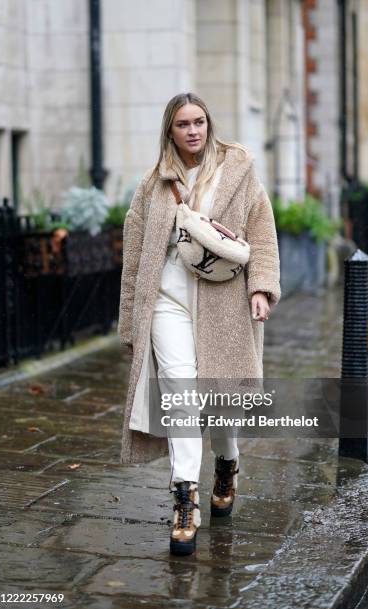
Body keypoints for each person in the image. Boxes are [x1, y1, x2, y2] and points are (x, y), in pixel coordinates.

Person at [118, 92, 281, 556]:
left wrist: (261, 288)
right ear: (169, 131)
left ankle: (227, 462)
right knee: (181, 393)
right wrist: (131, 322)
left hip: (222, 300)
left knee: (219, 398)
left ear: (210, 124)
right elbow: (134, 259)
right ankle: (184, 499)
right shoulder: (152, 185)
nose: (193, 131)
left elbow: (263, 233)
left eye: (200, 121)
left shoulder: (238, 171)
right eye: (183, 124)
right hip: (166, 301)